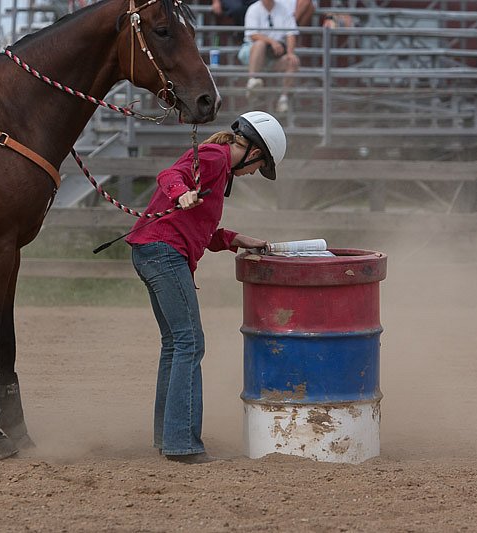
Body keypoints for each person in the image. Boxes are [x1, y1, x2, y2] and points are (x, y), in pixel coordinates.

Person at [127, 111, 287, 464]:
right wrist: (181, 192)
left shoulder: (218, 165)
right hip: (164, 253)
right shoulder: (216, 158)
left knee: (175, 344)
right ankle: (182, 442)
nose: (250, 175)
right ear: (254, 152)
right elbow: (170, 176)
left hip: (152, 251)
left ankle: (168, 436)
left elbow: (199, 226)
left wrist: (236, 239)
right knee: (190, 342)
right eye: (256, 168)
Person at [237, 0, 300, 114]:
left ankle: (283, 99)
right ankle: (252, 80)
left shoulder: (284, 9)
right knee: (260, 44)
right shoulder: (254, 8)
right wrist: (272, 42)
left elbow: (291, 33)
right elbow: (252, 35)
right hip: (251, 51)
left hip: (273, 56)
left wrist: (290, 53)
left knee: (293, 61)